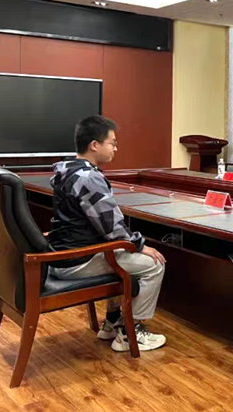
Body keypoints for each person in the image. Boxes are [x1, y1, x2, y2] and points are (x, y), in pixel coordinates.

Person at [47, 115, 167, 351]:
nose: (115, 148)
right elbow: (112, 228)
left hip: (63, 256)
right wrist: (141, 245)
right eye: (112, 143)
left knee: (119, 253)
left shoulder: (67, 171)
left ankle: (112, 322)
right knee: (154, 264)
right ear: (95, 145)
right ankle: (130, 332)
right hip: (77, 261)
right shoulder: (89, 178)